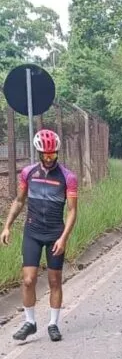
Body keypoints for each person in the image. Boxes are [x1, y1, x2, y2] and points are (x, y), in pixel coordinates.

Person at [1, 129, 78, 342]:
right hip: (33, 231)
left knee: (55, 280)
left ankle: (53, 324)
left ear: (57, 153)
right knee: (28, 280)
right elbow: (19, 200)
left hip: (55, 233)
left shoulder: (68, 177)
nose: (49, 159)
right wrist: (7, 225)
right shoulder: (28, 173)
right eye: (45, 155)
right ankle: (30, 322)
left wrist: (64, 238)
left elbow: (72, 211)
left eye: (52, 155)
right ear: (38, 153)